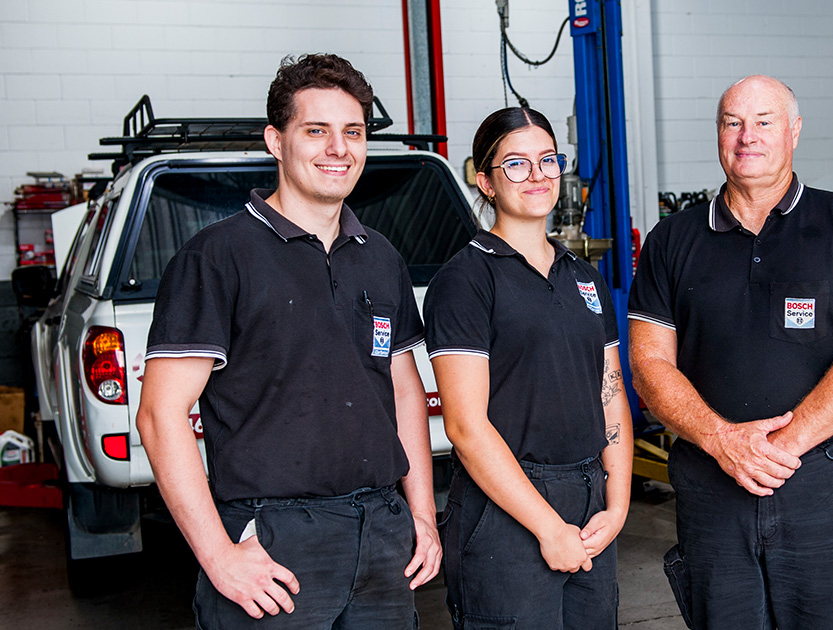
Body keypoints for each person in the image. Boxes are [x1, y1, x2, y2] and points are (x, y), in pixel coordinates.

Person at [136, 53, 441, 628]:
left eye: (352, 132)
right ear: (276, 142)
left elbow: (405, 393)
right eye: (316, 131)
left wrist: (421, 514)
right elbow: (159, 414)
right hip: (273, 542)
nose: (338, 148)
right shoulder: (217, 257)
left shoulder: (380, 258)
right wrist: (219, 556)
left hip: (381, 536)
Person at [628, 75, 833, 629]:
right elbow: (648, 363)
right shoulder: (672, 239)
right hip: (713, 485)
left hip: (822, 482)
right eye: (733, 122)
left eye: (764, 121)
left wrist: (783, 445)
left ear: (794, 131)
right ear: (718, 134)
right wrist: (722, 440)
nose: (746, 136)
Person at [423, 107, 633, 629]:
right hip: (507, 506)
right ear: (485, 181)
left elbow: (610, 393)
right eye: (516, 164)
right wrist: (546, 527)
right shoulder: (467, 280)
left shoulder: (584, 277)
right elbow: (466, 429)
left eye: (547, 160)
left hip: (589, 497)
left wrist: (619, 503)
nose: (538, 175)